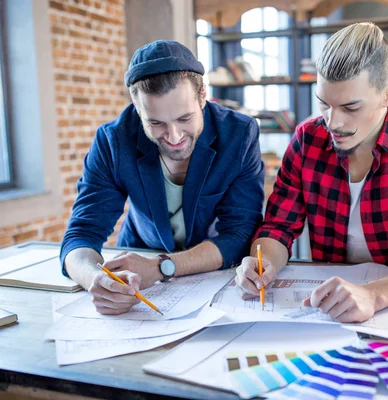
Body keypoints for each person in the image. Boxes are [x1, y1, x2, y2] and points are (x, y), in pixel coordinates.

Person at [235, 23, 388, 323]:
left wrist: (373, 294)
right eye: (324, 104)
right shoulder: (308, 138)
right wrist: (260, 263)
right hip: (328, 308)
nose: (333, 122)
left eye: (350, 107)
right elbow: (278, 227)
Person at [61, 40, 265, 315]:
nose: (174, 136)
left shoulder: (239, 134)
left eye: (185, 118)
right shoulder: (113, 141)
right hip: (140, 272)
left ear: (203, 95)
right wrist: (94, 280)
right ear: (137, 106)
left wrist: (161, 267)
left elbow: (240, 233)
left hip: (216, 271)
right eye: (155, 123)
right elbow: (81, 234)